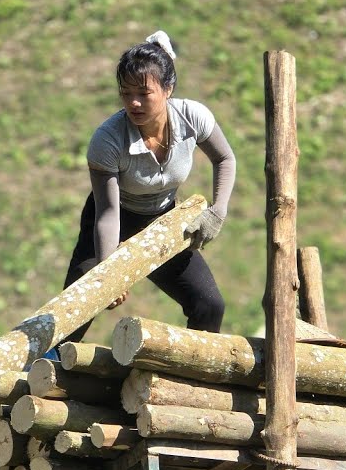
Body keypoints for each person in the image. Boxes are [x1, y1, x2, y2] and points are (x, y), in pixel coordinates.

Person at [61, 29, 237, 345]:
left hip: (163, 221)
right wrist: (109, 272)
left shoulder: (192, 117)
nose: (134, 102)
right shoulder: (108, 139)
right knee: (76, 312)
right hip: (112, 220)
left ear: (168, 88)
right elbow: (108, 213)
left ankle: (192, 370)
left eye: (144, 93)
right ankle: (41, 368)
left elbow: (225, 159)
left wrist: (218, 211)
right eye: (126, 93)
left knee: (209, 305)